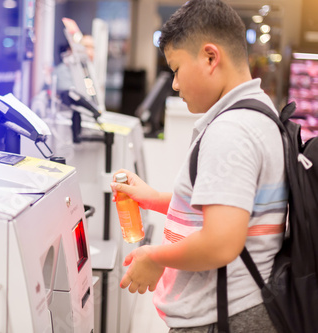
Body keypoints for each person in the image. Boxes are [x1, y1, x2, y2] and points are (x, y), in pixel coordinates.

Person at [110, 0, 287, 331]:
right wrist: (154, 199)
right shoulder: (258, 111)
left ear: (210, 57)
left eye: (176, 70)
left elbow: (221, 241)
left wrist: (155, 257)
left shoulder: (231, 132)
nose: (175, 85)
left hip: (223, 317)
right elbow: (226, 208)